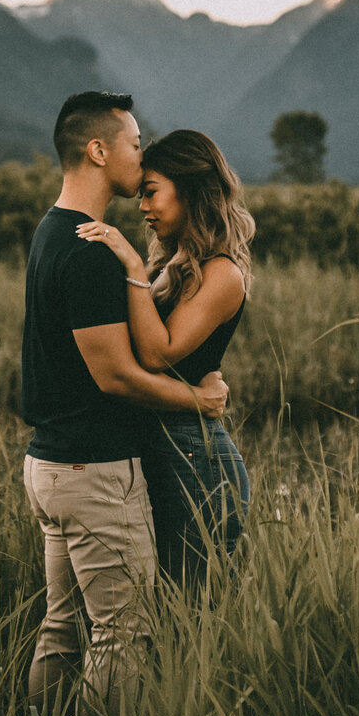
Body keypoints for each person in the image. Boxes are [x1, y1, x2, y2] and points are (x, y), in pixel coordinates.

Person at [21, 91, 228, 712]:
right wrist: (200, 402)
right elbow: (116, 377)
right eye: (136, 145)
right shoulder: (90, 251)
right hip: (94, 470)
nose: (143, 157)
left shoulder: (51, 231)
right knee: (122, 632)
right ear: (98, 150)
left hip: (51, 464)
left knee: (62, 627)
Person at [75, 128, 253, 588]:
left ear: (191, 190)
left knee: (192, 609)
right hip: (161, 445)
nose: (142, 207)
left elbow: (156, 353)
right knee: (161, 601)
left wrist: (132, 268)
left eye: (151, 192)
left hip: (195, 454)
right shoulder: (172, 265)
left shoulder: (222, 273)